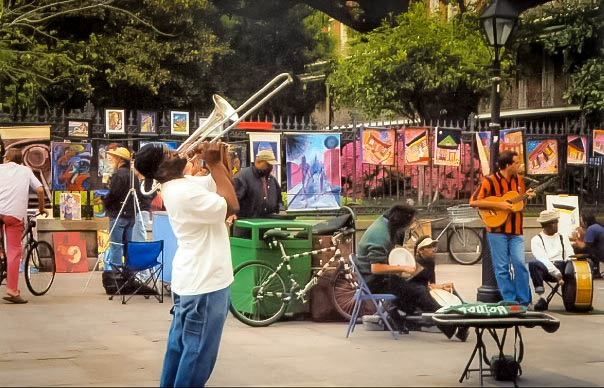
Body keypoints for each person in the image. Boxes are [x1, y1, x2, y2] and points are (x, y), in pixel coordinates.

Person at [134, 141, 238, 388]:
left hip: (196, 279)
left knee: (179, 348)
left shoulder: (182, 184)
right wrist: (211, 162)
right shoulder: (182, 192)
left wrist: (216, 155)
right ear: (161, 171)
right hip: (204, 281)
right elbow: (232, 205)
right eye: (170, 155)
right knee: (198, 355)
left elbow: (221, 180)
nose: (178, 153)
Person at [470, 151, 536, 306]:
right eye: (516, 163)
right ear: (508, 165)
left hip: (516, 230)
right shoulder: (489, 181)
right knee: (502, 268)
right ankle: (510, 301)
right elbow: (474, 201)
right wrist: (500, 204)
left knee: (519, 263)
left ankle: (524, 301)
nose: (519, 165)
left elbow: (519, 205)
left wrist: (526, 197)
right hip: (496, 231)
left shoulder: (519, 180)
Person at [0, 148, 46, 304]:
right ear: (20, 160)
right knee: (13, 251)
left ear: (6, 158)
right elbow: (40, 190)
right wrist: (41, 208)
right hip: (14, 215)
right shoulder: (25, 171)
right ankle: (12, 291)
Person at [101, 147, 142, 270]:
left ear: (120, 159)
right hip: (130, 215)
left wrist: (104, 200)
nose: (111, 160)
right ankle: (129, 274)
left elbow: (114, 194)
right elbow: (136, 194)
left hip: (118, 214)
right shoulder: (132, 175)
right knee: (128, 246)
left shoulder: (118, 174)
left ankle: (116, 274)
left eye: (113, 158)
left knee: (116, 245)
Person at [529, 210, 574, 311]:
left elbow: (570, 254)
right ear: (547, 224)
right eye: (555, 222)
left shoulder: (563, 237)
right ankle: (542, 297)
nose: (557, 224)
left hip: (564, 267)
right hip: (547, 269)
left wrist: (569, 264)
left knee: (576, 264)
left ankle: (574, 299)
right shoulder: (536, 240)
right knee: (533, 264)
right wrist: (556, 272)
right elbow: (542, 259)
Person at [233, 148, 283, 219]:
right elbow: (234, 201)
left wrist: (281, 209)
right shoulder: (242, 177)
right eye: (268, 164)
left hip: (268, 224)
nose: (271, 167)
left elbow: (279, 200)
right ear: (259, 162)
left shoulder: (272, 180)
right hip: (247, 225)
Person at [572, 213, 604, 278]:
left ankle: (584, 271)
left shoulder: (591, 229)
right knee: (590, 249)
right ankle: (596, 271)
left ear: (586, 222)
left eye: (581, 222)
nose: (581, 224)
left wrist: (575, 238)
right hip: (600, 250)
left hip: (601, 253)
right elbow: (587, 242)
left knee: (576, 249)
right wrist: (582, 234)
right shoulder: (597, 226)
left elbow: (583, 246)